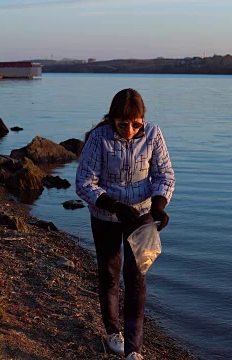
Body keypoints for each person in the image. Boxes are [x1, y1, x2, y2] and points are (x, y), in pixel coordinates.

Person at [75, 88, 175, 360]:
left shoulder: (154, 134)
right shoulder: (99, 138)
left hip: (142, 218)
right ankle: (112, 332)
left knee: (136, 280)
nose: (129, 129)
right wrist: (116, 206)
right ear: (112, 119)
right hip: (106, 216)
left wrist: (158, 206)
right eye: (122, 124)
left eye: (136, 123)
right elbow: (84, 184)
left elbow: (165, 175)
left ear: (142, 120)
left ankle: (134, 349)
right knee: (109, 275)